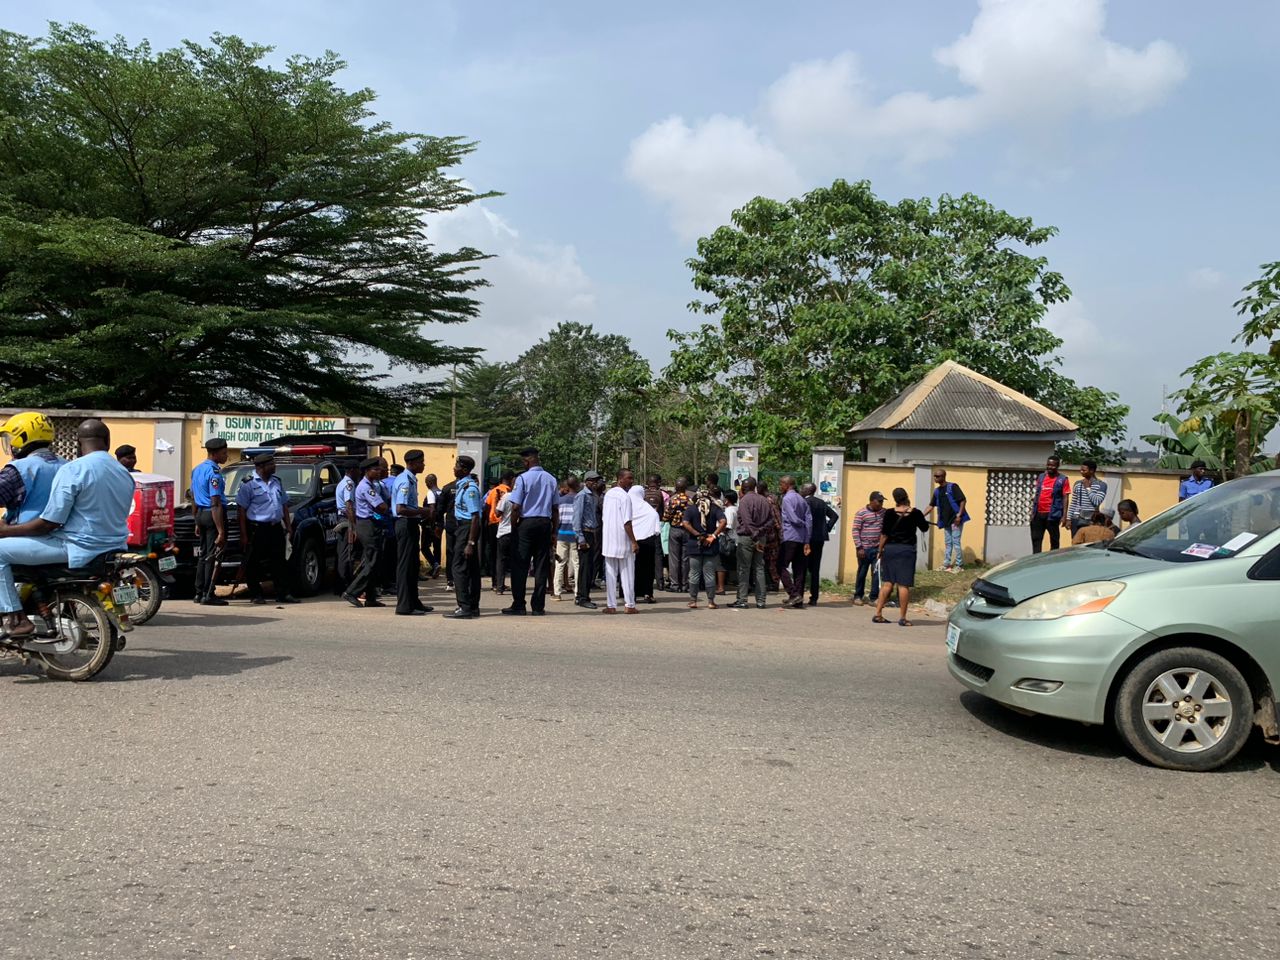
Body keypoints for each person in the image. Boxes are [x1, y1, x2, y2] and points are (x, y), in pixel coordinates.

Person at [0, 419, 135, 639]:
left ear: (77, 442)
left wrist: (5, 531)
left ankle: (15, 619)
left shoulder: (75, 469)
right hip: (113, 546)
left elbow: (48, 523)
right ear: (108, 441)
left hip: (76, 547)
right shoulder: (123, 473)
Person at [235, 452, 298, 605]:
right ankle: (256, 594)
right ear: (261, 467)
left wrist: (288, 526)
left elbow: (284, 505)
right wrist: (244, 534)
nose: (275, 466)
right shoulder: (248, 483)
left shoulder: (276, 482)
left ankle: (283, 593)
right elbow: (241, 510)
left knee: (279, 562)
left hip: (275, 527)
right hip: (257, 529)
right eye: (271, 464)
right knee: (254, 563)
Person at [504, 447, 558, 616]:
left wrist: (514, 527)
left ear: (527, 461)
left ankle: (519, 604)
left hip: (526, 524)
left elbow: (515, 506)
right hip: (544, 523)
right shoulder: (551, 479)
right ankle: (538, 607)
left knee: (520, 565)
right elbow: (555, 509)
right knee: (541, 566)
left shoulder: (523, 478)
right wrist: (554, 531)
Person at [872, 487, 929, 627]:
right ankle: (903, 617)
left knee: (887, 583)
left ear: (894, 499)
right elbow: (924, 528)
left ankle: (878, 614)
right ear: (906, 496)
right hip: (907, 551)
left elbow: (884, 534)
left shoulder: (889, 513)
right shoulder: (915, 513)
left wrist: (880, 550)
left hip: (890, 550)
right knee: (903, 585)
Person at [0, 412, 66, 526]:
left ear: (21, 438)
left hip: (22, 535)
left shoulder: (19, 469)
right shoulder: (66, 464)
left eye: (10, 439)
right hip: (61, 536)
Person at [341, 458, 388, 609]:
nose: (379, 471)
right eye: (376, 469)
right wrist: (387, 506)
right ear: (367, 471)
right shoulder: (366, 487)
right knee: (373, 561)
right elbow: (381, 507)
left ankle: (371, 597)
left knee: (373, 561)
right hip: (367, 525)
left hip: (371, 524)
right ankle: (351, 591)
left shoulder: (372, 485)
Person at [391, 450, 433, 616]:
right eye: (421, 462)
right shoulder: (405, 481)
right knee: (405, 566)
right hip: (405, 524)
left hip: (411, 524)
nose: (423, 465)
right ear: (413, 463)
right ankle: (404, 606)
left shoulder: (411, 479)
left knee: (413, 566)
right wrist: (421, 511)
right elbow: (400, 509)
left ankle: (414, 601)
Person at [191, 437, 230, 606]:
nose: (226, 455)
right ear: (214, 454)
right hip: (212, 514)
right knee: (214, 555)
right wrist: (221, 530)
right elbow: (215, 503)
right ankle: (209, 593)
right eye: (224, 453)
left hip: (201, 513)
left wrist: (197, 522)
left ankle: (199, 593)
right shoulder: (214, 473)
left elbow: (193, 497)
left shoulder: (197, 470)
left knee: (203, 555)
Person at [444, 455, 483, 619]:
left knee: (458, 568)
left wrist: (470, 542)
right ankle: (472, 606)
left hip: (467, 528)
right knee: (472, 569)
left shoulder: (470, 488)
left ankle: (464, 606)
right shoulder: (462, 485)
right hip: (464, 528)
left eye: (457, 466)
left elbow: (475, 517)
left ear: (465, 470)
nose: (454, 468)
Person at [601, 468, 639, 614]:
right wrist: (634, 541)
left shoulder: (608, 495)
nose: (631, 481)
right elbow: (627, 522)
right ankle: (629, 604)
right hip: (622, 540)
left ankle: (611, 605)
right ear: (620, 479)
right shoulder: (625, 497)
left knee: (610, 573)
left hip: (609, 539)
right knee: (627, 573)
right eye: (629, 478)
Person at [729, 478, 771, 610]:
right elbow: (770, 521)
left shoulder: (744, 501)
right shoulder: (764, 500)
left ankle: (742, 599)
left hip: (747, 537)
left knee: (743, 569)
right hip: (761, 537)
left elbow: (747, 522)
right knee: (759, 568)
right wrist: (760, 533)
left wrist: (754, 535)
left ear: (743, 488)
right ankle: (761, 601)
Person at [681, 488, 725, 609]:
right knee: (709, 574)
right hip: (710, 545)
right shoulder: (715, 508)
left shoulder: (691, 509)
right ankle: (711, 601)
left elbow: (685, 523)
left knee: (694, 573)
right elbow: (723, 521)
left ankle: (693, 600)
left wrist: (697, 534)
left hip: (694, 544)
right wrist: (713, 536)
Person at [777, 476, 812, 610]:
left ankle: (793, 593)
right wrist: (807, 538)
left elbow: (793, 518)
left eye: (781, 484)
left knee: (780, 565)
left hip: (790, 536)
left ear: (786, 485)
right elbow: (809, 520)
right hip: (801, 538)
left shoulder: (787, 499)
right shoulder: (802, 499)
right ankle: (798, 598)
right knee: (799, 569)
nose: (780, 487)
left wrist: (800, 524)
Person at [801, 483, 839, 606]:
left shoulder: (804, 502)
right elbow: (834, 516)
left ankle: (799, 595)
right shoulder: (821, 503)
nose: (801, 490)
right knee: (815, 569)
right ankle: (814, 598)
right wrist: (826, 528)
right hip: (819, 539)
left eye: (803, 488)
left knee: (802, 567)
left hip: (807, 538)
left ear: (807, 490)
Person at [924, 468, 968, 573]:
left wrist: (959, 516)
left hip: (955, 520)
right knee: (948, 543)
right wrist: (921, 516)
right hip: (946, 521)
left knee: (956, 542)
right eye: (934, 476)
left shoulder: (952, 487)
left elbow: (963, 500)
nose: (935, 478)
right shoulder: (937, 491)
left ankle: (959, 565)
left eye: (937, 476)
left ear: (943, 477)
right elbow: (931, 505)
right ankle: (946, 564)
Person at [572, 471, 602, 609]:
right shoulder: (582, 496)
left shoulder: (594, 495)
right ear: (587, 481)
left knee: (590, 567)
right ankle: (582, 597)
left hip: (593, 533)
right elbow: (577, 519)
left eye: (597, 480)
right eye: (593, 480)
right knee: (585, 567)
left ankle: (584, 595)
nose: (596, 483)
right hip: (585, 533)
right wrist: (581, 539)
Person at [850, 492, 885, 607]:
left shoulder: (883, 513)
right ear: (871, 501)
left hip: (877, 548)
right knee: (862, 572)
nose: (881, 503)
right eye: (879, 501)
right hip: (864, 549)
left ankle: (873, 597)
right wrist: (859, 547)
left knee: (876, 573)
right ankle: (858, 596)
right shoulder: (861, 513)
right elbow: (855, 530)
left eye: (882, 501)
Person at [629, 482, 661, 604]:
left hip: (631, 541)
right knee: (647, 569)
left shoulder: (627, 507)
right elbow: (655, 522)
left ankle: (630, 594)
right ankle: (648, 593)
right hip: (648, 541)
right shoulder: (648, 509)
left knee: (631, 568)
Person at [1029, 455, 1069, 553]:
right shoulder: (1041, 477)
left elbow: (1065, 497)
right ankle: (1036, 560)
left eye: (1053, 465)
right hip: (1038, 514)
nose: (1050, 467)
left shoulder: (1063, 479)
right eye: (1048, 465)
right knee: (1036, 539)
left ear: (1058, 466)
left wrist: (1064, 516)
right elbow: (1037, 494)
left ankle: (1053, 561)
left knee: (1054, 540)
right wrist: (1032, 512)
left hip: (1053, 515)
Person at [552, 476, 581, 601]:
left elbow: (556, 518)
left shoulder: (560, 500)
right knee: (577, 564)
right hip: (575, 535)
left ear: (567, 487)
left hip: (561, 534)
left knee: (560, 563)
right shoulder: (580, 500)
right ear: (577, 485)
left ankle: (557, 592)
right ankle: (578, 593)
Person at [334, 462, 361, 596]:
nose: (359, 473)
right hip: (347, 521)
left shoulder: (343, 482)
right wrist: (354, 527)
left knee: (343, 554)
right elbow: (349, 506)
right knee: (347, 555)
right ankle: (345, 586)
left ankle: (341, 585)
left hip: (344, 520)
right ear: (351, 470)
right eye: (357, 469)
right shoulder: (349, 485)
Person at [663, 478, 692, 594]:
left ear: (676, 487)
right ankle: (685, 584)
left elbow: (665, 516)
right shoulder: (690, 501)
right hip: (687, 530)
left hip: (675, 530)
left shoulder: (672, 500)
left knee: (674, 559)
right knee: (685, 559)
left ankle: (675, 585)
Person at [1065, 460, 1107, 537]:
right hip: (1076, 518)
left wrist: (1088, 488)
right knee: (1076, 542)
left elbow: (1097, 501)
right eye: (1081, 470)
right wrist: (1069, 519)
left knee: (1088, 542)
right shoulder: (1078, 484)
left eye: (1084, 470)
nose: (1081, 472)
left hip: (1090, 520)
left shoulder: (1101, 485)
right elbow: (1073, 502)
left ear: (1092, 471)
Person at [484, 471, 513, 581]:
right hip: (504, 524)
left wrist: (489, 519)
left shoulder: (492, 491)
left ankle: (495, 582)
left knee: (494, 553)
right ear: (510, 479)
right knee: (503, 556)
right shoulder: (509, 492)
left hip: (492, 524)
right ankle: (501, 581)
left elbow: (487, 506)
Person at [492, 471, 516, 595]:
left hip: (503, 532)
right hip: (515, 532)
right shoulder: (522, 497)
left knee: (501, 560)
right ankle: (516, 586)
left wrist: (497, 500)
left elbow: (497, 513)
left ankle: (499, 587)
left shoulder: (506, 497)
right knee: (515, 561)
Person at [420, 472, 443, 578]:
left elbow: (432, 510)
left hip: (431, 524)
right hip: (440, 523)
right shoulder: (441, 492)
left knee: (424, 547)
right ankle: (436, 570)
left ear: (430, 482)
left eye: (426, 482)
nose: (426, 484)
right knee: (437, 547)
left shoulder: (431, 493)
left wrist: (430, 524)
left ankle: (435, 564)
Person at [718, 489, 739, 595]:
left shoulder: (729, 510)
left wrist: (717, 530)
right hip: (735, 539)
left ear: (727, 500)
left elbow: (728, 526)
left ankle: (721, 587)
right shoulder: (736, 508)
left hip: (728, 539)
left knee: (722, 563)